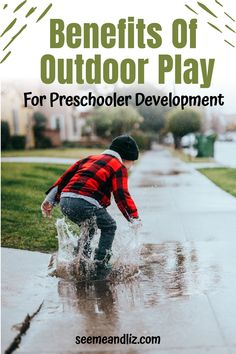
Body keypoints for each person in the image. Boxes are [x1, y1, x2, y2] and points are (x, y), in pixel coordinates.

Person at [41, 135, 141, 278]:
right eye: (133, 162)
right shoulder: (119, 167)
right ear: (127, 158)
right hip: (84, 202)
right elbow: (121, 194)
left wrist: (49, 199)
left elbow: (65, 178)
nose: (132, 166)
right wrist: (134, 217)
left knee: (89, 228)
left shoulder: (89, 158)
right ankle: (100, 265)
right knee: (109, 226)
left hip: (65, 200)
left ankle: (81, 261)